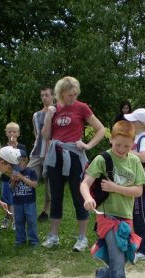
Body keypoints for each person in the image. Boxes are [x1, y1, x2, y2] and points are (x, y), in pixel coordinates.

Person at [80, 120, 145, 278]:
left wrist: (116, 188)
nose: (121, 149)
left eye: (126, 146)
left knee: (120, 260)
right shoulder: (102, 159)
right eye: (117, 144)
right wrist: (88, 198)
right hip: (106, 217)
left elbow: (139, 191)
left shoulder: (134, 161)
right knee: (118, 260)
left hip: (126, 218)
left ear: (133, 145)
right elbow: (85, 183)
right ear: (111, 140)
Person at [41, 76, 105, 251]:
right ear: (61, 93)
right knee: (56, 196)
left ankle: (82, 238)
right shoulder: (55, 109)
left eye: (75, 94)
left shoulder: (81, 107)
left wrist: (88, 145)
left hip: (75, 156)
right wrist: (49, 117)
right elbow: (46, 136)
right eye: (70, 95)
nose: (73, 98)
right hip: (56, 156)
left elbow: (101, 129)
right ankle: (53, 236)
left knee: (79, 196)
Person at [125, 108, 145, 260]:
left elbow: (144, 157)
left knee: (141, 215)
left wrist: (125, 151)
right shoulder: (137, 137)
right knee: (139, 214)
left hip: (141, 181)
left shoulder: (143, 139)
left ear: (140, 124)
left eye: (132, 121)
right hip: (135, 180)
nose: (129, 122)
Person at [28, 86, 53, 222]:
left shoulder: (57, 112)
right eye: (42, 95)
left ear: (52, 96)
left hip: (51, 153)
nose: (44, 98)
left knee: (50, 185)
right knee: (28, 178)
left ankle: (45, 211)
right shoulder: (36, 115)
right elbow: (36, 133)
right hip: (37, 152)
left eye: (47, 95)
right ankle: (27, 209)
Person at [0, 122, 27, 230]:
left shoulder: (22, 147)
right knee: (7, 200)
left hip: (18, 177)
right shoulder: (3, 148)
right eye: (9, 131)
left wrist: (15, 148)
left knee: (16, 199)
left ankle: (12, 219)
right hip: (6, 178)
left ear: (18, 133)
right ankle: (13, 219)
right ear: (6, 133)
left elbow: (23, 161)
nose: (12, 133)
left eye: (14, 132)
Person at [11, 150, 39, 246]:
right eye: (16, 163)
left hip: (29, 201)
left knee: (31, 221)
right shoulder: (13, 173)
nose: (18, 165)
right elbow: (11, 188)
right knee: (19, 221)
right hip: (17, 202)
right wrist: (13, 181)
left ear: (25, 161)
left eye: (20, 162)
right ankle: (20, 239)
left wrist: (23, 178)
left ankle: (33, 240)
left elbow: (34, 184)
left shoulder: (31, 171)